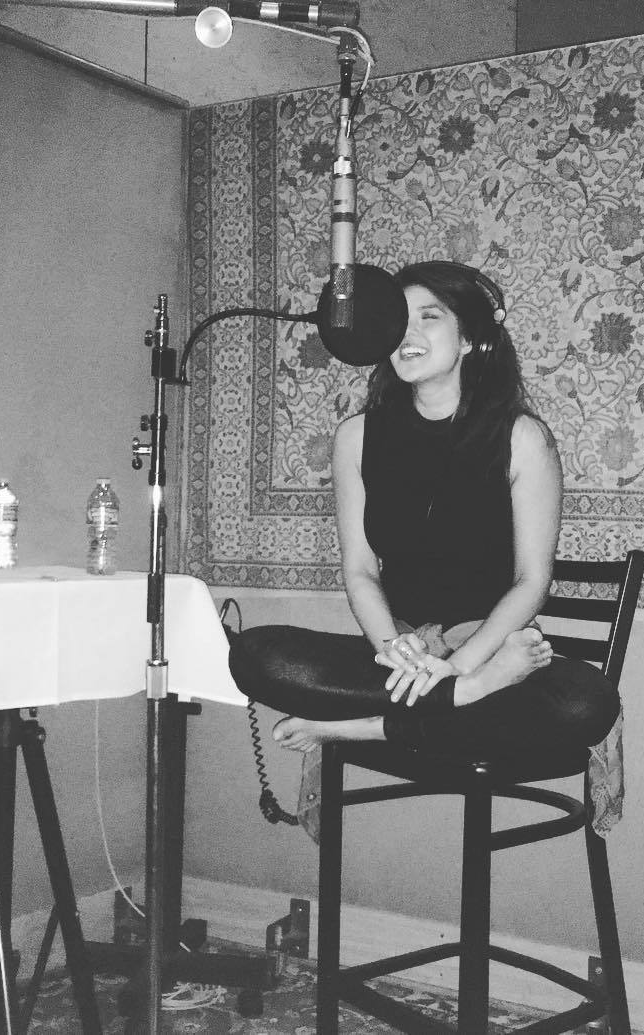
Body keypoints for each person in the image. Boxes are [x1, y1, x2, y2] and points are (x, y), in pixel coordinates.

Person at [228, 260, 620, 770]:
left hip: (489, 648)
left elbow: (532, 581)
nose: (406, 334)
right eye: (398, 320)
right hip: (401, 654)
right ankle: (466, 697)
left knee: (587, 703)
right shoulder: (355, 438)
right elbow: (360, 571)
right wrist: (394, 649)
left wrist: (460, 665)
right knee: (255, 656)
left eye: (429, 317)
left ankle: (363, 728)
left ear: (469, 339)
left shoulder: (523, 438)